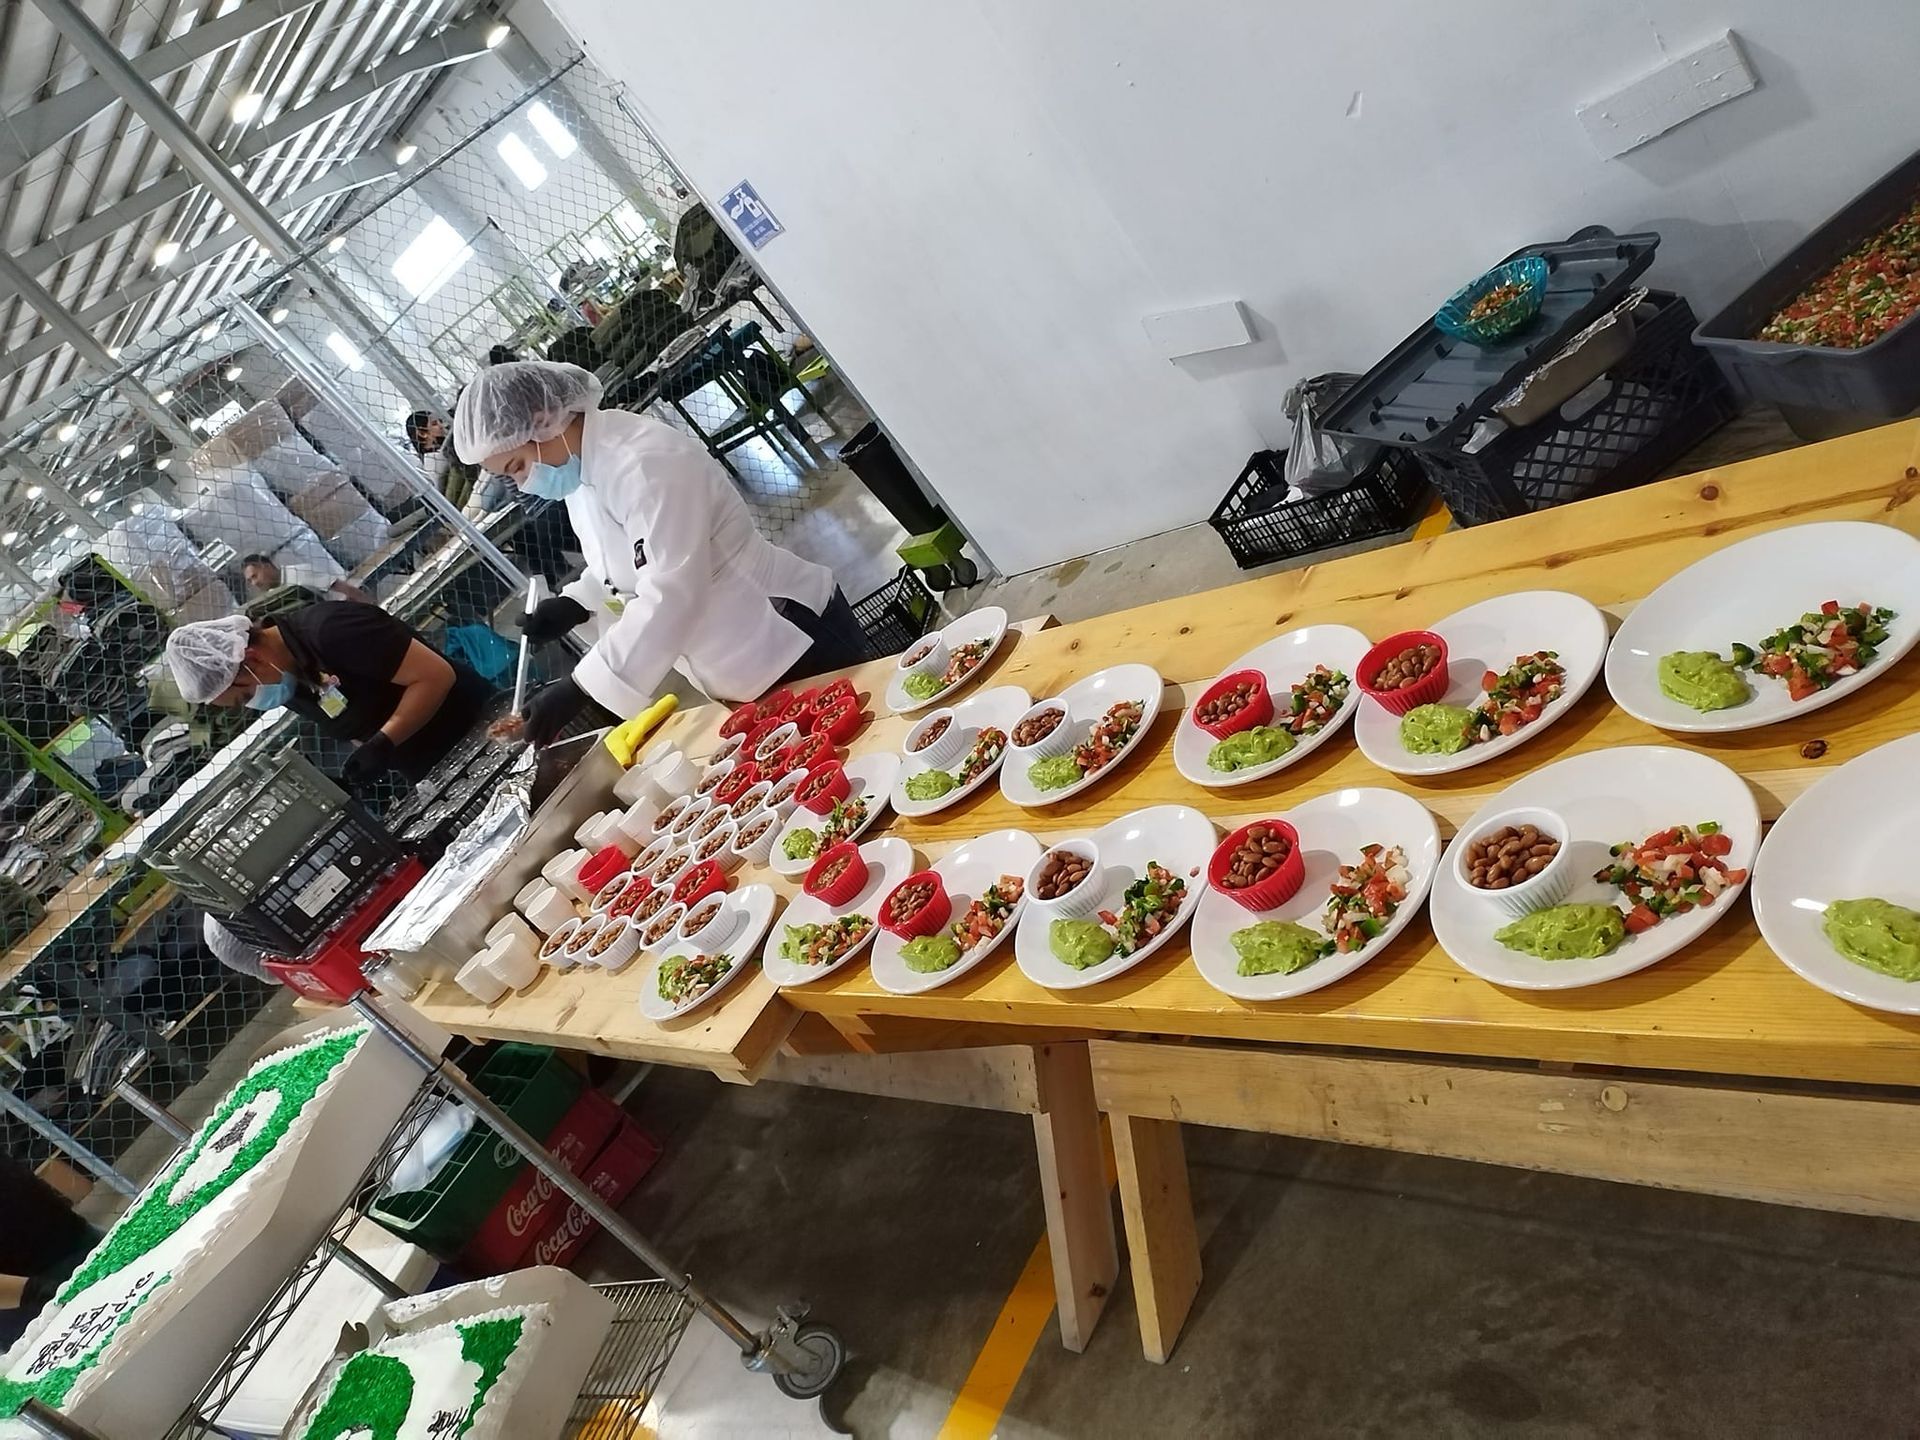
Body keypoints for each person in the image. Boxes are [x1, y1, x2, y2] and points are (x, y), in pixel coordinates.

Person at [451, 361, 871, 744]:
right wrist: (576, 603)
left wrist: (581, 688)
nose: (523, 484)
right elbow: (625, 560)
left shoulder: (642, 462)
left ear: (544, 422)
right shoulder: (584, 469)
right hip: (742, 657)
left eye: (518, 466)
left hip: (786, 633)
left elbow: (671, 588)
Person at [163, 606, 491, 786]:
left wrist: (384, 741)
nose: (252, 703)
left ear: (252, 659)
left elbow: (435, 676)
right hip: (441, 769)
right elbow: (351, 718)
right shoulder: (289, 677)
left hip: (482, 730)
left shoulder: (333, 631)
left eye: (244, 695)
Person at [240, 552, 373, 606]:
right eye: (250, 581)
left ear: (267, 567)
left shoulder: (300, 572)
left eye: (254, 576)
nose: (255, 583)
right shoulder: (271, 597)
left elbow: (347, 590)